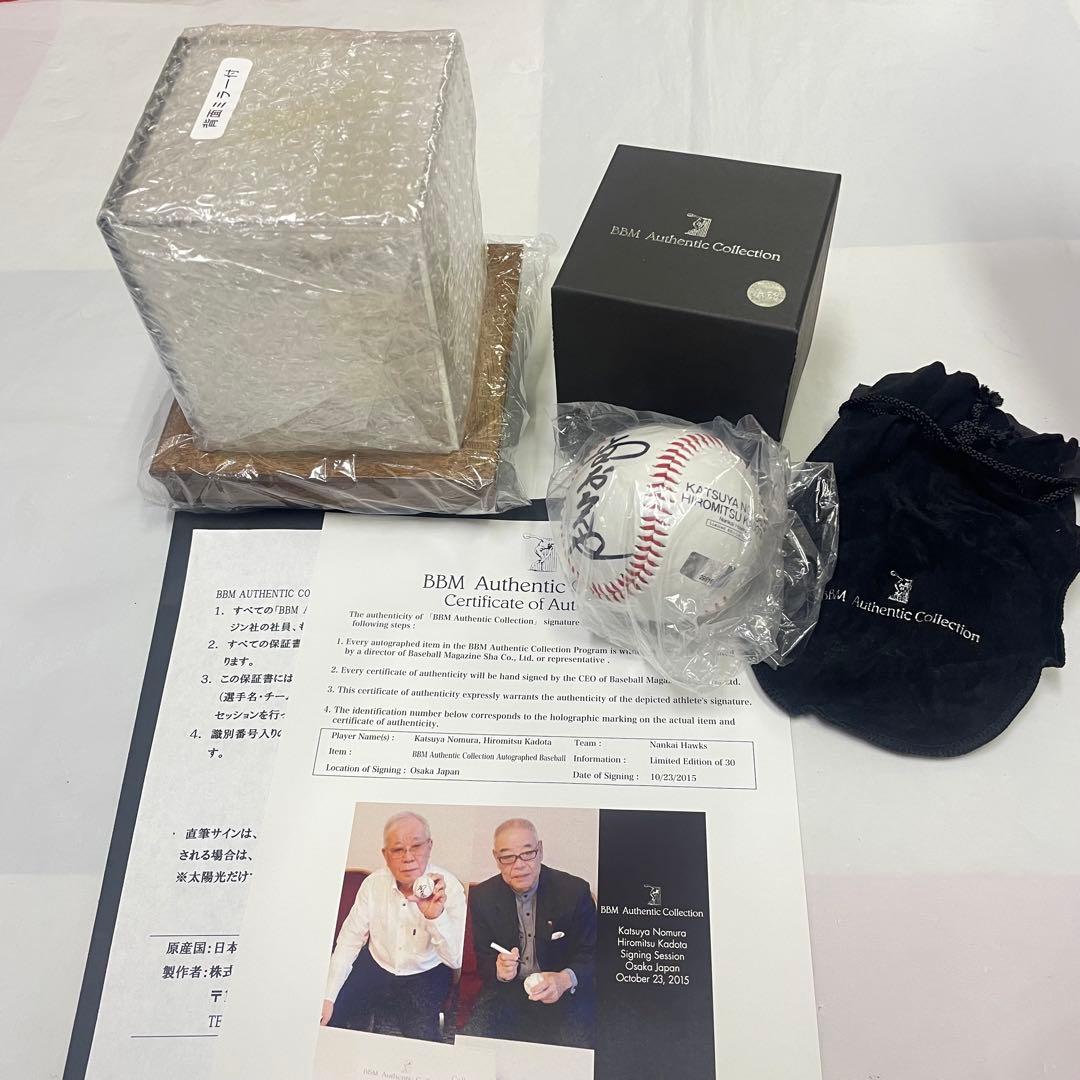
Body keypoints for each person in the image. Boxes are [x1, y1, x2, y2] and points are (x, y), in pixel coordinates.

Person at [321, 811, 466, 1042]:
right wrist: (328, 997)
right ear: (385, 855)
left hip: (425, 973)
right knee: (330, 1018)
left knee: (422, 1044)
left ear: (429, 846)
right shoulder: (372, 885)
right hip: (376, 964)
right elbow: (349, 940)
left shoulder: (451, 888)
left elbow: (455, 960)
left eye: (416, 846)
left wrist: (435, 916)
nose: (408, 857)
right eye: (398, 849)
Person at [465, 818, 596, 1048]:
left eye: (527, 853)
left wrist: (564, 979)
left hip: (562, 992)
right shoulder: (482, 896)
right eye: (507, 857)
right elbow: (483, 957)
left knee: (574, 1052)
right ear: (496, 859)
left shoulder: (574, 891)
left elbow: (593, 953)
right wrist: (499, 970)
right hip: (506, 993)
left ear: (540, 850)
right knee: (474, 1044)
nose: (519, 865)